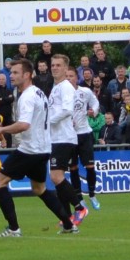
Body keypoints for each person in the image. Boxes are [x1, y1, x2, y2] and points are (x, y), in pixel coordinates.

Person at [0, 58, 79, 237]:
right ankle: (69, 224)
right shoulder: (38, 92)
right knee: (39, 189)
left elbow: (24, 125)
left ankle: (13, 229)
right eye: (11, 73)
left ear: (27, 75)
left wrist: (2, 129)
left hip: (29, 149)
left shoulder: (27, 96)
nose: (11, 76)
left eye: (15, 73)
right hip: (43, 149)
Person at [46, 53, 88, 227]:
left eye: (58, 65)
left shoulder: (66, 87)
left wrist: (47, 121)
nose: (54, 67)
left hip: (64, 138)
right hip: (55, 138)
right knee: (58, 177)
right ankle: (66, 217)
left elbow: (67, 110)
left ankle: (80, 208)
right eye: (53, 65)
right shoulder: (55, 87)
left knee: (56, 177)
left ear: (65, 68)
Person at [66, 68, 102, 210]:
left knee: (90, 166)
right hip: (70, 136)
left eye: (71, 76)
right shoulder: (60, 94)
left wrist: (94, 110)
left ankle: (92, 194)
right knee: (73, 167)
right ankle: (79, 198)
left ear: (77, 78)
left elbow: (95, 103)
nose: (69, 78)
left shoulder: (85, 91)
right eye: (66, 76)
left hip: (85, 134)